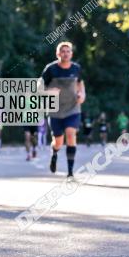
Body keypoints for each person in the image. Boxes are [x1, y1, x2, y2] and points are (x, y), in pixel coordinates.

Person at [42, 42, 85, 178]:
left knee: (71, 134)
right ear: (58, 54)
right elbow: (39, 87)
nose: (65, 53)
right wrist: (49, 90)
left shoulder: (76, 68)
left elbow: (80, 84)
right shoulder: (51, 69)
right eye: (63, 51)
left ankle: (70, 172)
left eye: (68, 51)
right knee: (59, 141)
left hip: (73, 109)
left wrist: (82, 95)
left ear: (71, 54)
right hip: (55, 111)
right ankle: (54, 153)